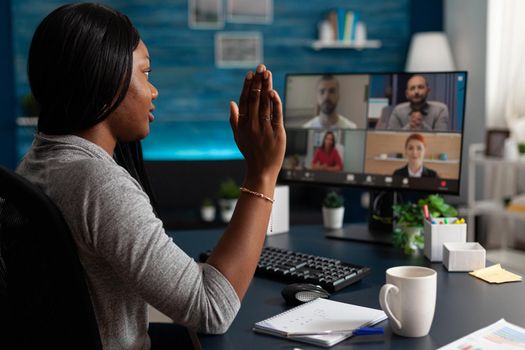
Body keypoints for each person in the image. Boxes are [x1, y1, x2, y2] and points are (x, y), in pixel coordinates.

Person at [16, 3, 285, 349]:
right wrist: (263, 171)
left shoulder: (40, 161)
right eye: (145, 74)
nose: (153, 91)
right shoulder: (99, 184)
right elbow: (212, 308)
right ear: (107, 80)